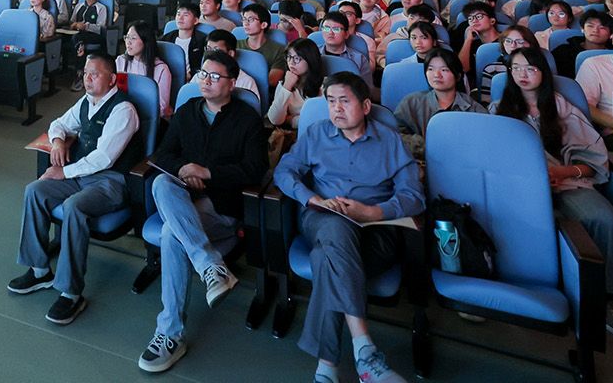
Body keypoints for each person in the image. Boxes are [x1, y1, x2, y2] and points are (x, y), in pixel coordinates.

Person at [494, 47, 613, 354]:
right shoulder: (499, 111)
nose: (523, 74)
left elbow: (592, 161)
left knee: (607, 222)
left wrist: (560, 172)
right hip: (519, 189)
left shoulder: (562, 107)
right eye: (516, 68)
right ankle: (523, 295)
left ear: (543, 72)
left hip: (565, 183)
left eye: (530, 68)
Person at [274, 73, 424, 383]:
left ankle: (327, 366)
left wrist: (372, 212)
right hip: (322, 219)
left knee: (325, 260)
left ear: (366, 106)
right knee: (336, 228)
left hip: (376, 229)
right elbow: (284, 171)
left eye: (344, 101)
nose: (336, 109)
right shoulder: (316, 134)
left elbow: (414, 196)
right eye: (331, 101)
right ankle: (364, 350)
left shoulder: (389, 140)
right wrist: (312, 198)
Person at [137, 51, 269, 373]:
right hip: (184, 198)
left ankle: (170, 334)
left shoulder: (247, 119)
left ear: (232, 83)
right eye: (203, 74)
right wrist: (185, 169)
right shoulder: (187, 111)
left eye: (215, 76)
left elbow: (255, 170)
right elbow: (163, 155)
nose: (206, 81)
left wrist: (208, 173)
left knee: (170, 234)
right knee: (161, 183)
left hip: (223, 207)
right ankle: (210, 265)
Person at [10, 53, 140, 326]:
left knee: (74, 206)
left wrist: (64, 172)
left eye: (95, 73)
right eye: (85, 73)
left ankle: (70, 292)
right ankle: (40, 270)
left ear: (112, 79)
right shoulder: (86, 102)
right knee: (35, 191)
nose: (87, 78)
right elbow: (58, 123)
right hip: (81, 174)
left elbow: (104, 158)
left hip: (110, 181)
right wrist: (58, 141)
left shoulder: (123, 110)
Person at [392, 48, 485, 161]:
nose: (436, 75)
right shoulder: (411, 103)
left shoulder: (474, 109)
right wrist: (422, 145)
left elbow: (484, 142)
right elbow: (394, 135)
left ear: (458, 75)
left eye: (444, 70)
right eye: (430, 69)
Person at [117, 21, 172, 119]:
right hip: (120, 113)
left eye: (133, 38)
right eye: (127, 37)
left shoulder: (161, 69)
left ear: (146, 41)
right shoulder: (121, 61)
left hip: (147, 119)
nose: (128, 42)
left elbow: (162, 108)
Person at [267, 38, 324, 130]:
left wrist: (291, 120)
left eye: (297, 58)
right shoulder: (284, 84)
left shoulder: (324, 85)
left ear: (310, 60)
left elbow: (319, 119)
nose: (291, 62)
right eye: (289, 57)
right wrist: (286, 87)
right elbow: (274, 120)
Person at [171, 3, 207, 74]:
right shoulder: (166, 39)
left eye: (185, 15)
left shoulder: (203, 41)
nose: (180, 18)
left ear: (195, 21)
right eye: (178, 14)